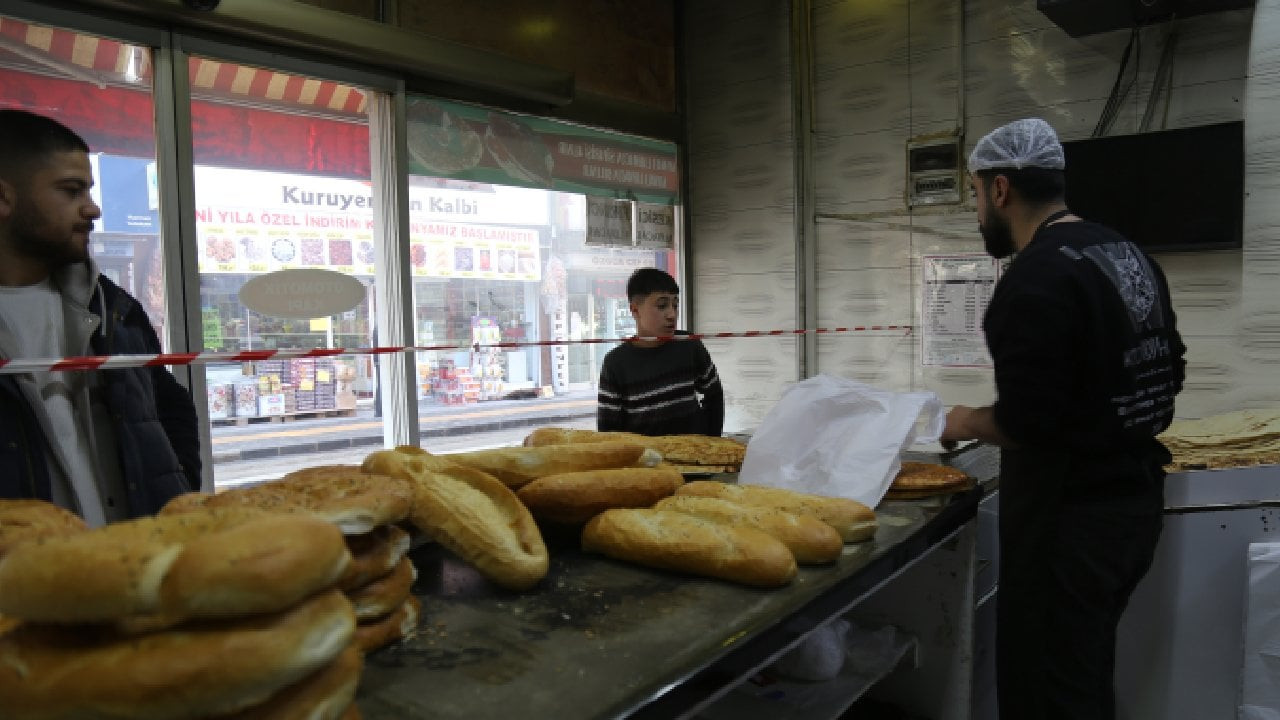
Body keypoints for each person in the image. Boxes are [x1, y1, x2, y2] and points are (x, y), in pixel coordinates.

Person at [940, 118, 1186, 719]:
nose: (977, 212)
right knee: (1084, 673)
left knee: (1046, 693)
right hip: (1133, 504)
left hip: (1069, 523)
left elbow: (1027, 424)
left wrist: (959, 419)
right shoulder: (1123, 251)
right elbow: (1169, 370)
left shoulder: (1035, 279)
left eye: (975, 195)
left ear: (1000, 189)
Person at [0, 109, 201, 526]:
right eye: (72, 191)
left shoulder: (115, 310)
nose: (92, 209)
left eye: (89, 191)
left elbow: (170, 410)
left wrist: (176, 503)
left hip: (128, 567)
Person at [597, 267, 724, 436]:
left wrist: (712, 440)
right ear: (635, 310)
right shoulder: (615, 363)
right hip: (647, 460)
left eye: (675, 305)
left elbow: (714, 394)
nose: (672, 314)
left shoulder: (689, 344)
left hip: (695, 457)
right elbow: (609, 432)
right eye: (662, 305)